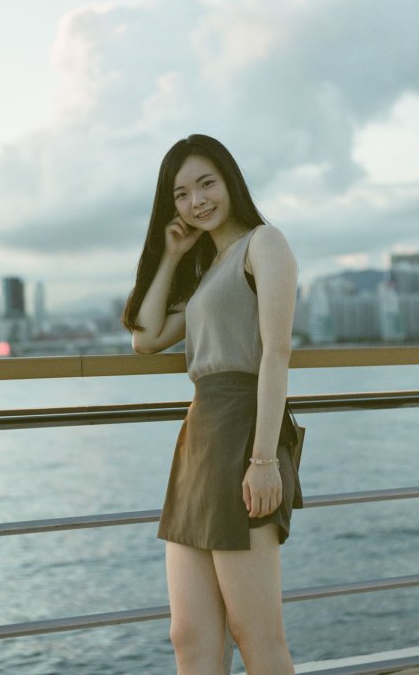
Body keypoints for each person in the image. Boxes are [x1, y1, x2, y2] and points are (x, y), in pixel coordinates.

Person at [123, 134, 300, 674]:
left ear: (229, 181)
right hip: (199, 440)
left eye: (206, 183)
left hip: (246, 432)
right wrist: (173, 254)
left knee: (255, 633)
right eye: (180, 194)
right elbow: (146, 336)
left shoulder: (263, 243)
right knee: (190, 635)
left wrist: (264, 459)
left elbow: (276, 353)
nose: (196, 201)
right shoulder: (207, 268)